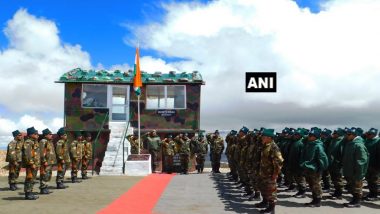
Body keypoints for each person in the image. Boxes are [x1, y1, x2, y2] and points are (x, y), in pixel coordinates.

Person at [254, 129, 283, 214]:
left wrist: (275, 173)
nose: (262, 138)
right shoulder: (265, 145)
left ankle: (271, 208)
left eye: (264, 136)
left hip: (270, 174)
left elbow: (279, 161)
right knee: (263, 188)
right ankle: (264, 202)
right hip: (263, 172)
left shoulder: (273, 147)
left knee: (271, 191)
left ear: (269, 137)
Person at [300, 128, 329, 207]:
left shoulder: (318, 146)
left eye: (311, 135)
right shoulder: (309, 144)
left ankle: (317, 201)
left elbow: (323, 158)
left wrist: (321, 169)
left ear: (315, 137)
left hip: (315, 169)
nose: (309, 137)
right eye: (309, 135)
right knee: (311, 185)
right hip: (308, 168)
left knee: (316, 185)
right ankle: (314, 200)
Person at [342, 127, 369, 208]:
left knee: (357, 187)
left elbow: (362, 160)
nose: (346, 136)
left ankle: (356, 202)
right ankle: (354, 200)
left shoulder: (358, 145)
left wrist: (360, 173)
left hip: (356, 171)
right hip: (349, 170)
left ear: (353, 135)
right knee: (352, 187)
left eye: (348, 134)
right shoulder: (350, 143)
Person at [22, 127, 41, 200]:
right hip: (31, 164)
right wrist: (31, 163)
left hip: (34, 164)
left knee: (32, 179)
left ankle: (30, 192)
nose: (37, 135)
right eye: (35, 134)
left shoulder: (34, 141)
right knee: (29, 178)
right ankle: (28, 194)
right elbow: (28, 154)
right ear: (30, 134)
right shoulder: (28, 142)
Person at [363, 128, 380, 201]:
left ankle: (374, 195)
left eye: (369, 134)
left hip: (375, 165)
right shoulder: (367, 140)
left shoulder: (378, 141)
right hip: (368, 164)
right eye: (368, 134)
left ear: (374, 134)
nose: (368, 135)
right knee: (369, 179)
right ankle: (371, 193)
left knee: (374, 180)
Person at [39, 128, 56, 194]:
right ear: (45, 135)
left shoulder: (49, 142)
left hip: (50, 162)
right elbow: (42, 152)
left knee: (48, 175)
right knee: (44, 175)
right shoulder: (43, 141)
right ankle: (43, 188)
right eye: (50, 134)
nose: (51, 135)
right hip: (45, 162)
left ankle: (46, 187)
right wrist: (44, 161)